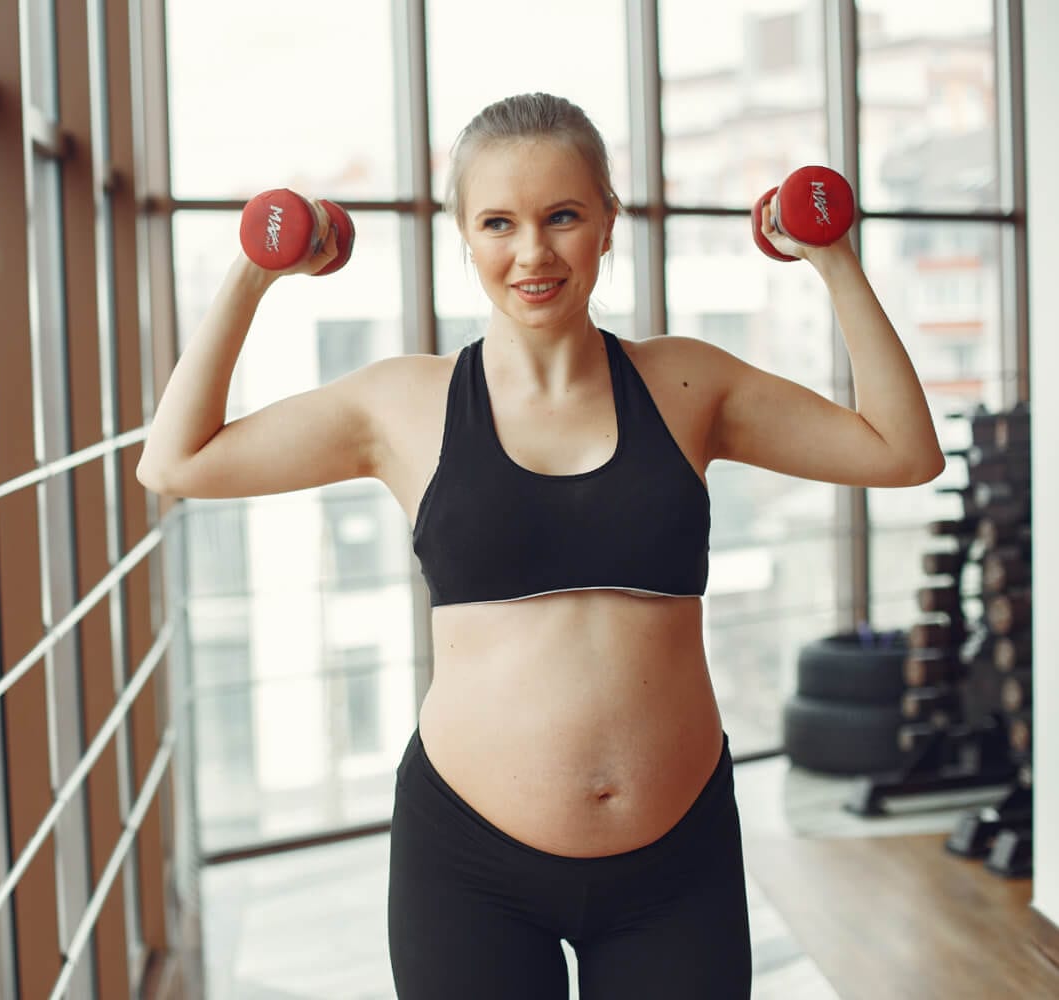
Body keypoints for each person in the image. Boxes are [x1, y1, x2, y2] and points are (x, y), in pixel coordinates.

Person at [135, 92, 944, 998]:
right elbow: (175, 462)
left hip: (677, 865)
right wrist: (257, 271)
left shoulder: (685, 382)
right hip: (469, 868)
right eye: (498, 223)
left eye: (563, 216)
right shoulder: (403, 404)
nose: (532, 253)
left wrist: (831, 258)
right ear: (464, 236)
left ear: (608, 221)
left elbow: (903, 453)